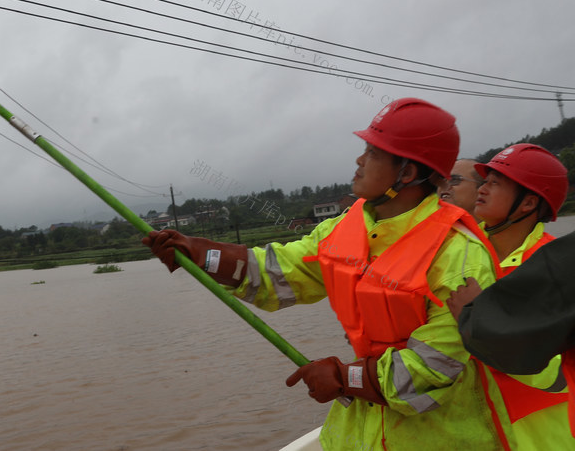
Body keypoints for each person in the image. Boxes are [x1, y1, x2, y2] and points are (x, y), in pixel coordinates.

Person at [144, 98, 512, 450]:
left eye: (373, 153)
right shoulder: (345, 230)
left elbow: (434, 368)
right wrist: (201, 254)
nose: (359, 160)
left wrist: (343, 378)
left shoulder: (459, 255)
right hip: (361, 435)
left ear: (408, 172)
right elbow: (276, 273)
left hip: (440, 438)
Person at [446, 144, 573, 448]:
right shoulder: (461, 254)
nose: (483, 189)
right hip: (478, 431)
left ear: (528, 203)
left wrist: (479, 318)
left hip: (540, 436)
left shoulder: (552, 268)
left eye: (496, 183)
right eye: (484, 180)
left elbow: (547, 370)